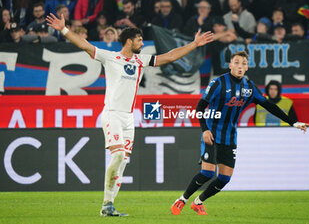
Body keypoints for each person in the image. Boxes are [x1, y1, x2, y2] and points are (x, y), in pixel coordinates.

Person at [46, 12, 214, 217]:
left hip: (128, 118)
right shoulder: (110, 57)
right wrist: (64, 29)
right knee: (117, 155)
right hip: (112, 114)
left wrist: (194, 45)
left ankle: (109, 206)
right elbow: (84, 45)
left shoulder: (141, 60)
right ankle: (106, 203)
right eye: (140, 39)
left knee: (123, 162)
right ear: (129, 41)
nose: (142, 43)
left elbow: (169, 56)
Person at [170, 51, 309, 216]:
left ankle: (198, 202)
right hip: (212, 133)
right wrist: (205, 130)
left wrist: (293, 122)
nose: (240, 66)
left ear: (247, 67)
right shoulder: (218, 83)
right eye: (236, 62)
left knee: (224, 178)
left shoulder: (249, 87)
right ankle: (182, 200)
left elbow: (269, 105)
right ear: (230, 65)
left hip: (230, 136)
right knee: (208, 173)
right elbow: (200, 107)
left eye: (243, 63)